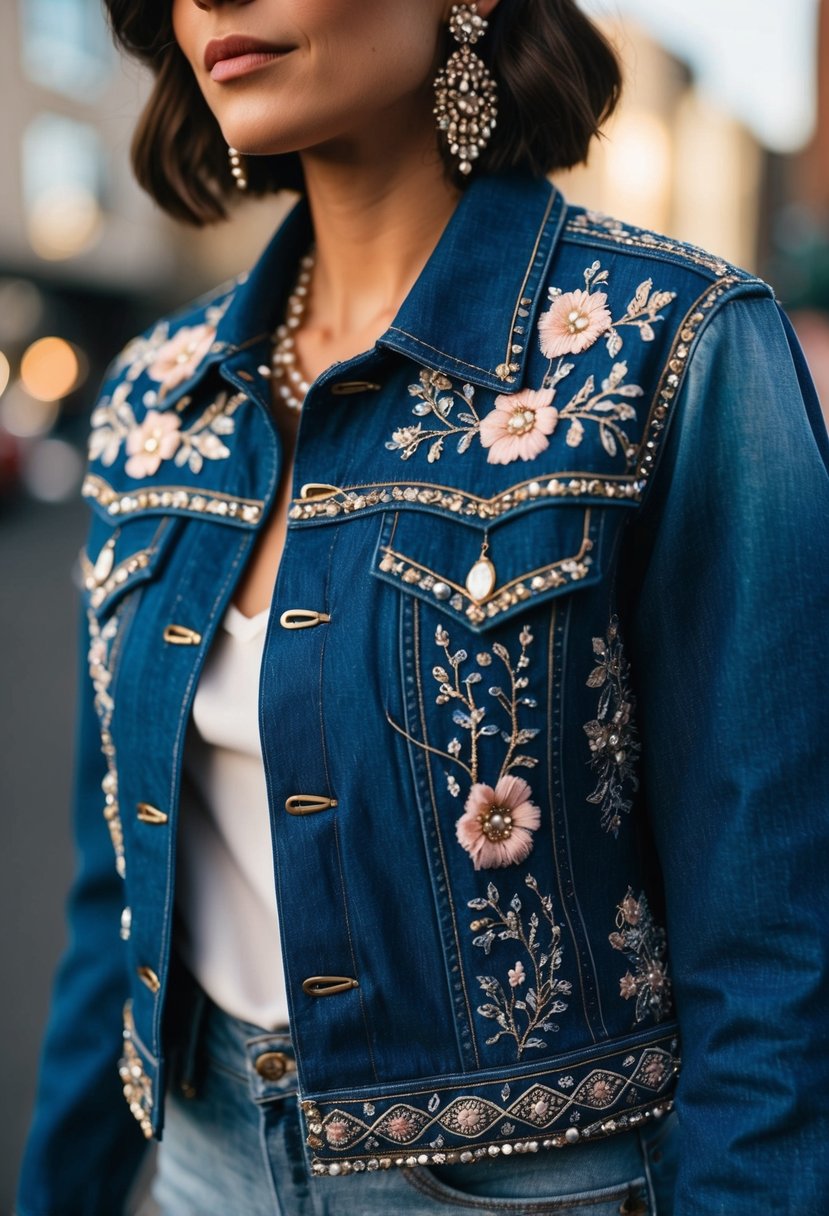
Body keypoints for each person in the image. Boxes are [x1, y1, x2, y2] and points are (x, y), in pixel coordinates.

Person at [15, 1, 829, 1213]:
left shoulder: (675, 348)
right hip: (197, 1165)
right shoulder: (154, 396)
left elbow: (775, 940)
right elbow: (116, 892)